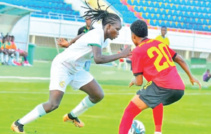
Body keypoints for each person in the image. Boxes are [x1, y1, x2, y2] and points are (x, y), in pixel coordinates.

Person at [11, 1, 131, 133]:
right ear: (108, 26)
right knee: (53, 104)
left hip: (75, 69)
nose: (118, 33)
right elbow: (98, 59)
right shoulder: (97, 35)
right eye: (117, 29)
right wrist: (122, 55)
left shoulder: (101, 36)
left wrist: (69, 44)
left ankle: (71, 116)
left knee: (97, 94)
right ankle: (18, 124)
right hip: (63, 66)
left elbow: (82, 35)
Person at [119, 20, 201, 134]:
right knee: (155, 97)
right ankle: (158, 132)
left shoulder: (137, 51)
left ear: (133, 36)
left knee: (129, 111)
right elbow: (180, 59)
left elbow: (139, 82)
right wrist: (191, 77)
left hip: (163, 86)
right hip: (179, 88)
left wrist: (133, 80)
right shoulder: (160, 43)